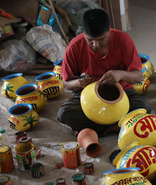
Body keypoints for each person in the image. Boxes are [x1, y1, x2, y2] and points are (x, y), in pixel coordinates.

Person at [57, 8, 151, 137]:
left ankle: (94, 128)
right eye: (90, 40)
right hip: (87, 98)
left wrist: (121, 74)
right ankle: (116, 127)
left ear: (109, 30)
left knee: (143, 108)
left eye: (101, 39)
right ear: (83, 33)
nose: (95, 45)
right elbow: (66, 83)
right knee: (64, 113)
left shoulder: (123, 40)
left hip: (122, 95)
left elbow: (138, 76)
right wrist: (79, 82)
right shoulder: (74, 46)